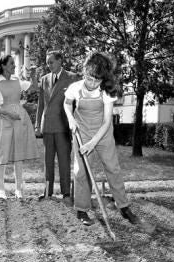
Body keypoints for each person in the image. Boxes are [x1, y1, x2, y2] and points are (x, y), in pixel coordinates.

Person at [63, 51, 155, 231]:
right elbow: (67, 104)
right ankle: (82, 210)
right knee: (81, 171)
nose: (92, 83)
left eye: (97, 80)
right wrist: (71, 119)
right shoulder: (75, 87)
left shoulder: (107, 91)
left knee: (112, 168)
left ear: (102, 79)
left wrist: (93, 143)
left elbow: (106, 122)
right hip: (82, 131)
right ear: (84, 72)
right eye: (89, 78)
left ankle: (124, 207)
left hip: (102, 133)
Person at [0, 55, 39, 199]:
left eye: (14, 64)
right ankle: (1, 188)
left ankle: (18, 188)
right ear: (3, 66)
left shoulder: (17, 81)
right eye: (11, 64)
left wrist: (33, 75)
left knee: (18, 154)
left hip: (19, 120)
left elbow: (34, 88)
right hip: (4, 119)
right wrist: (7, 113)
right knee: (2, 153)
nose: (14, 66)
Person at [35, 50, 79, 206]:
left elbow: (76, 104)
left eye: (51, 62)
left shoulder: (72, 78)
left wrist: (75, 124)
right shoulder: (44, 79)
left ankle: (66, 193)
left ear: (60, 61)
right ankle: (48, 191)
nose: (49, 65)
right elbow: (41, 104)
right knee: (48, 161)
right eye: (47, 62)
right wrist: (37, 125)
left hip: (63, 126)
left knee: (64, 160)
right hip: (47, 126)